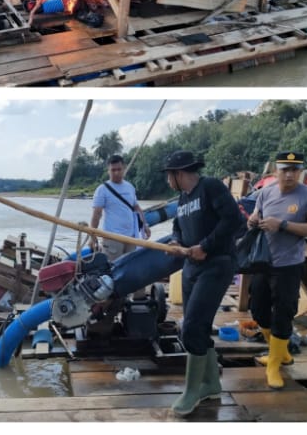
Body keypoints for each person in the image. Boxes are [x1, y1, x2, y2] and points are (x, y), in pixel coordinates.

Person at [163, 149, 242, 416]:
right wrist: (175, 242)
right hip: (191, 267)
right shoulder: (183, 198)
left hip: (217, 264)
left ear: (180, 173)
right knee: (199, 326)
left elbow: (235, 220)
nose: (167, 181)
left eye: (169, 175)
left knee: (191, 327)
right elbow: (178, 227)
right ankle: (211, 384)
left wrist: (206, 246)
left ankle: (192, 391)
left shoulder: (210, 186)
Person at [246, 151, 307, 390]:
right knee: (258, 309)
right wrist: (253, 220)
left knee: (283, 312)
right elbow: (255, 214)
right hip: (263, 261)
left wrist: (281, 224)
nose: (289, 174)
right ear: (276, 171)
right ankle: (280, 353)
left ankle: (274, 363)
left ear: (300, 171)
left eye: (294, 170)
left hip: (289, 264)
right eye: (285, 169)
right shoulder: (265, 192)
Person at [90, 154, 150, 297]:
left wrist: (145, 225)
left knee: (133, 270)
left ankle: (135, 302)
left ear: (124, 168)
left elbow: (136, 207)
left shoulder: (129, 187)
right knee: (112, 273)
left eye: (119, 169)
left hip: (131, 237)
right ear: (108, 171)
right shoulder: (102, 189)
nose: (116, 173)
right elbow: (96, 214)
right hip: (112, 238)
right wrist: (92, 236)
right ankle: (111, 304)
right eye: (113, 170)